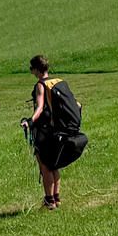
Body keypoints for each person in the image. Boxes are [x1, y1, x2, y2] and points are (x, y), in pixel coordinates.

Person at [24, 54, 86, 210]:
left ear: (37, 69)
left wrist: (29, 121)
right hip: (61, 131)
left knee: (45, 166)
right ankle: (57, 199)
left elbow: (39, 107)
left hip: (47, 132)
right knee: (54, 165)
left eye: (32, 69)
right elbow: (77, 104)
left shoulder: (41, 85)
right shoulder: (59, 82)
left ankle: (49, 201)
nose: (31, 71)